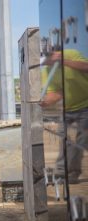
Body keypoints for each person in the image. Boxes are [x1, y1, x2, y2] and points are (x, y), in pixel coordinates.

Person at [41, 49, 88, 184]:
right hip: (68, 110)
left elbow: (86, 67)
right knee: (66, 140)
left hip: (86, 105)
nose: (46, 62)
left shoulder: (71, 54)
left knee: (80, 141)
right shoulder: (46, 71)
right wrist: (44, 102)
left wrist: (63, 61)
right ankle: (64, 173)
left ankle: (70, 173)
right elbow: (56, 93)